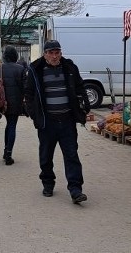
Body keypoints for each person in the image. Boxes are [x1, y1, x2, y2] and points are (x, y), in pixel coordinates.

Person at [23, 39, 90, 204]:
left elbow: (80, 87)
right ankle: (48, 183)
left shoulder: (69, 67)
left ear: (61, 53)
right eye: (51, 53)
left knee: (71, 155)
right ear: (45, 54)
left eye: (57, 52)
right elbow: (29, 94)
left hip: (67, 121)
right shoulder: (36, 69)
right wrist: (34, 114)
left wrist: (84, 105)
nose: (54, 56)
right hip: (47, 122)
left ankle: (75, 190)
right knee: (46, 156)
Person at [0, 45, 26, 165]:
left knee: (9, 125)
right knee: (12, 125)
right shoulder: (21, 69)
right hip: (16, 103)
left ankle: (6, 150)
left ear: (4, 56)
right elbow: (25, 87)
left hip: (3, 103)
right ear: (15, 56)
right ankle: (8, 153)